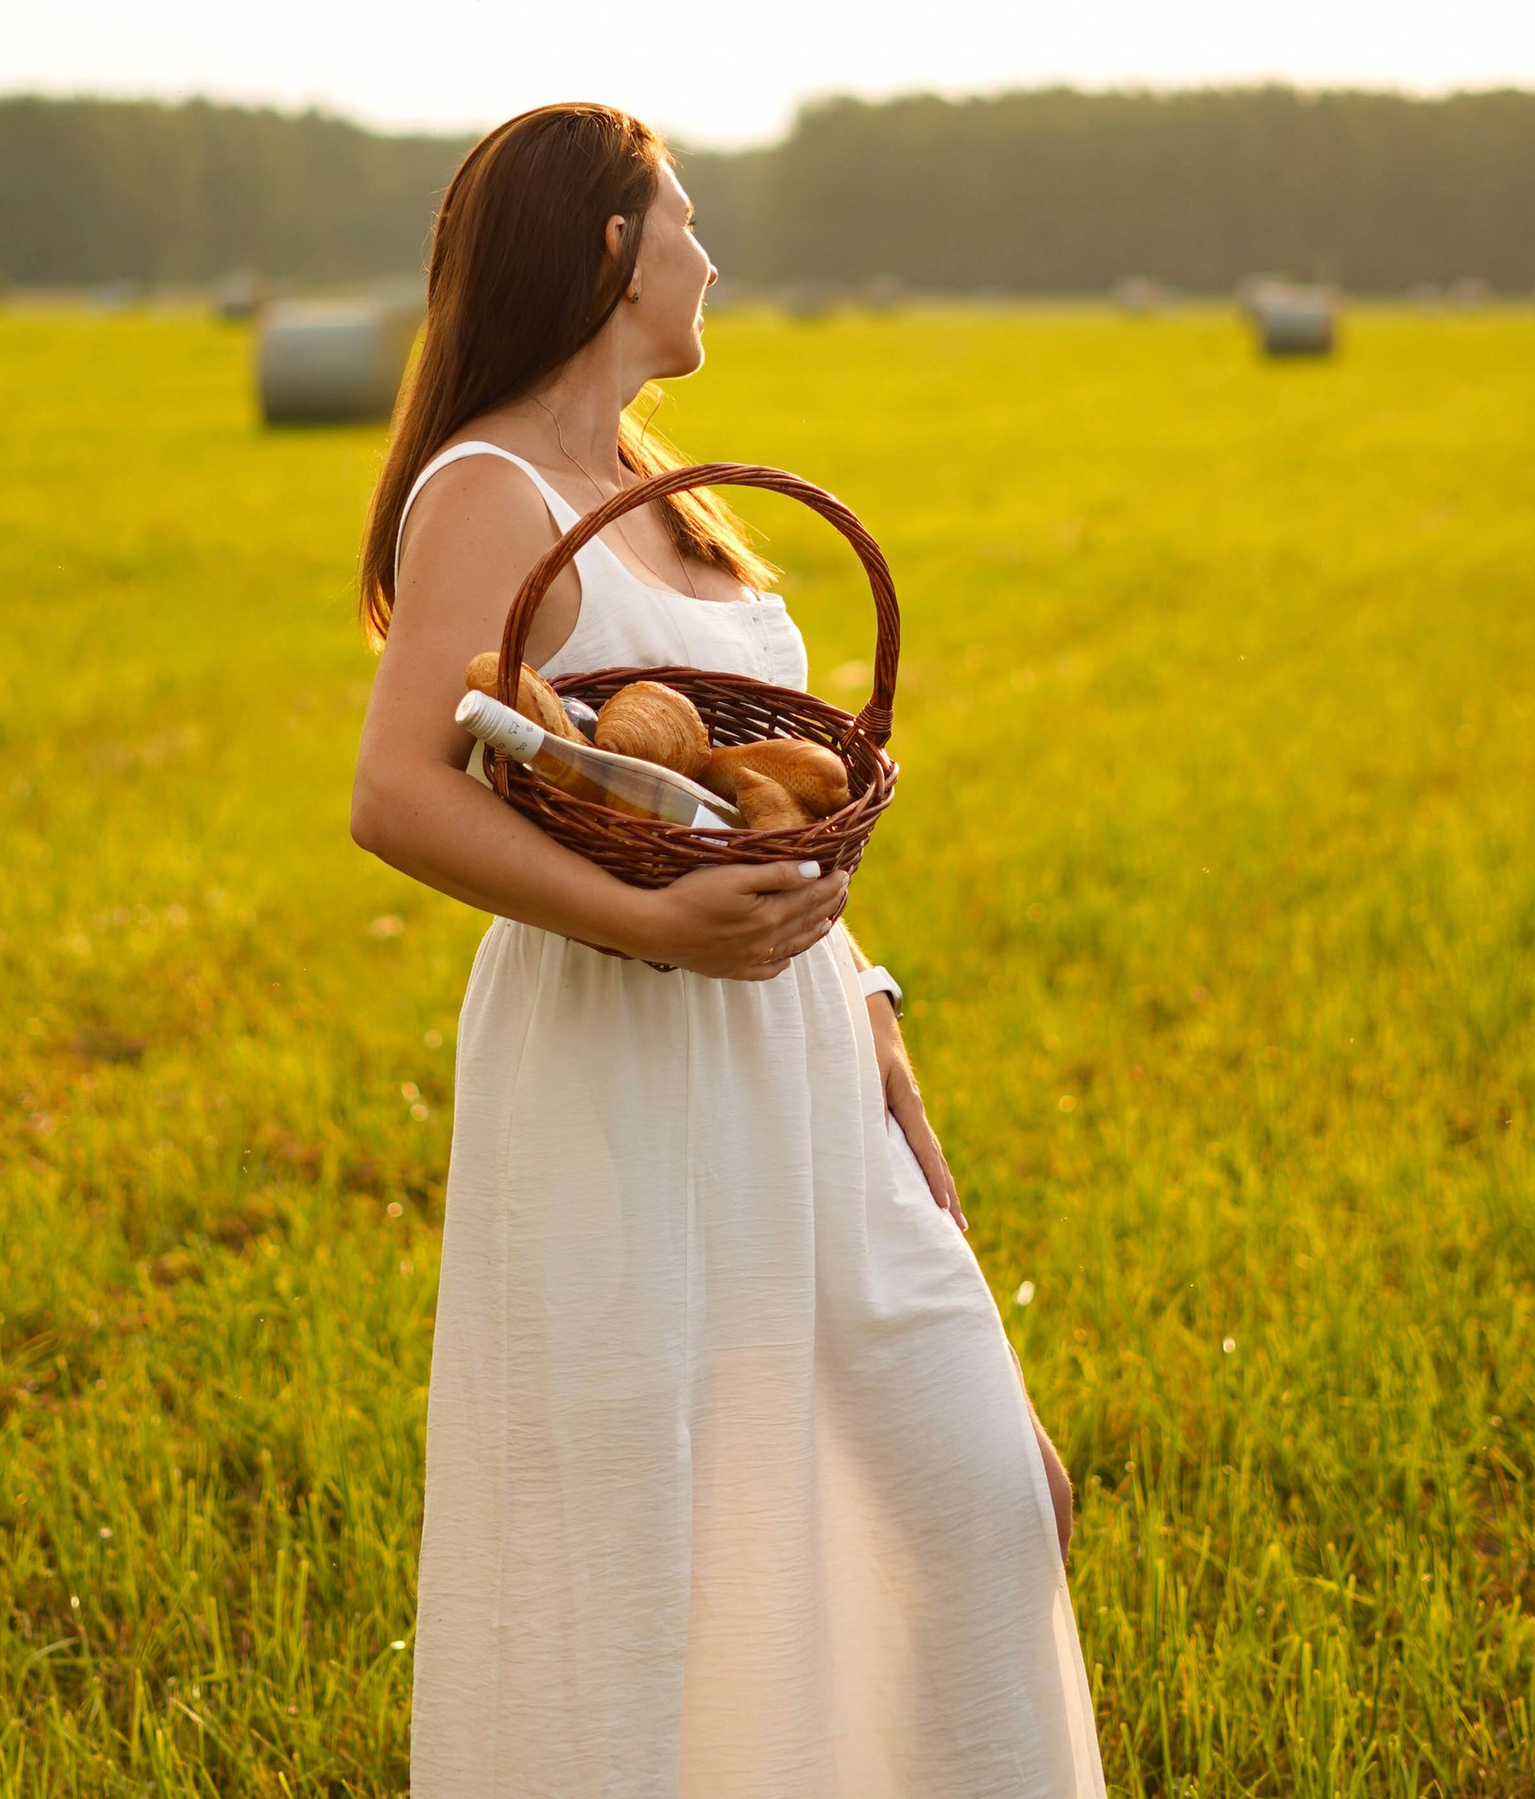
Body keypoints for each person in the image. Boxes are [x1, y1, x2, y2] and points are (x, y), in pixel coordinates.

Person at [351, 104, 1105, 1798]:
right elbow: (396, 791)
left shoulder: (662, 493)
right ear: (614, 250)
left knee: (988, 1489)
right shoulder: (493, 486)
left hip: (809, 1046)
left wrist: (876, 1011)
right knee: (657, 1551)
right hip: (624, 1061)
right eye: (687, 223)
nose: (713, 259)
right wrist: (650, 920)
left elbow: (769, 817)